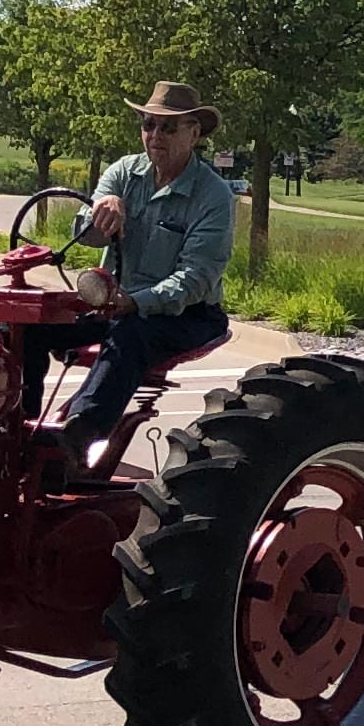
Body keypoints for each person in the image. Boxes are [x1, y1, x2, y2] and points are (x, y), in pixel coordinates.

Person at [52, 80, 236, 457]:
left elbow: (195, 280)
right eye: (148, 125)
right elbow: (85, 238)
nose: (155, 135)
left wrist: (134, 302)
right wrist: (101, 212)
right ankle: (4, 430)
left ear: (194, 133)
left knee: (129, 334)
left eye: (168, 127)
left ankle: (73, 442)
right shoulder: (123, 172)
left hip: (188, 314)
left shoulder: (213, 195)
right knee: (26, 326)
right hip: (115, 303)